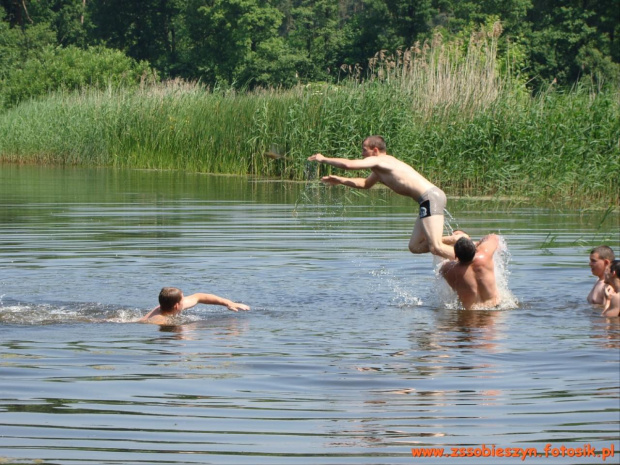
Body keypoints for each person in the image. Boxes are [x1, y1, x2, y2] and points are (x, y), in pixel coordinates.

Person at [308, 135, 459, 259]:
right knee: (415, 247)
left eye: (364, 150)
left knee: (435, 247)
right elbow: (365, 184)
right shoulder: (380, 168)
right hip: (426, 200)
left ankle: (470, 257)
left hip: (430, 197)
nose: (362, 154)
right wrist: (341, 180)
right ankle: (455, 240)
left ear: (375, 150)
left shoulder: (381, 160)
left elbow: (349, 165)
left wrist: (324, 159)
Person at [439, 234, 500, 310]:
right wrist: (478, 243)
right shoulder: (485, 255)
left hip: (470, 314)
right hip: (495, 308)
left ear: (455, 256)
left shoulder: (449, 270)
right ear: (475, 250)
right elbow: (493, 237)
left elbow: (441, 269)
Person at [139, 287, 250, 324]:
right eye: (183, 298)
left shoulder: (167, 306)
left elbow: (199, 296)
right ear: (177, 306)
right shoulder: (160, 321)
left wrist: (229, 303)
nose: (185, 299)